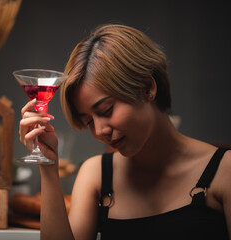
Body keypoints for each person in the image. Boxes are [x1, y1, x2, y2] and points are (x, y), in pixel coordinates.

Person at [18, 24, 231, 239]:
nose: (100, 131)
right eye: (89, 121)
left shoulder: (225, 171)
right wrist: (48, 165)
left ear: (147, 88)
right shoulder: (97, 175)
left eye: (106, 110)